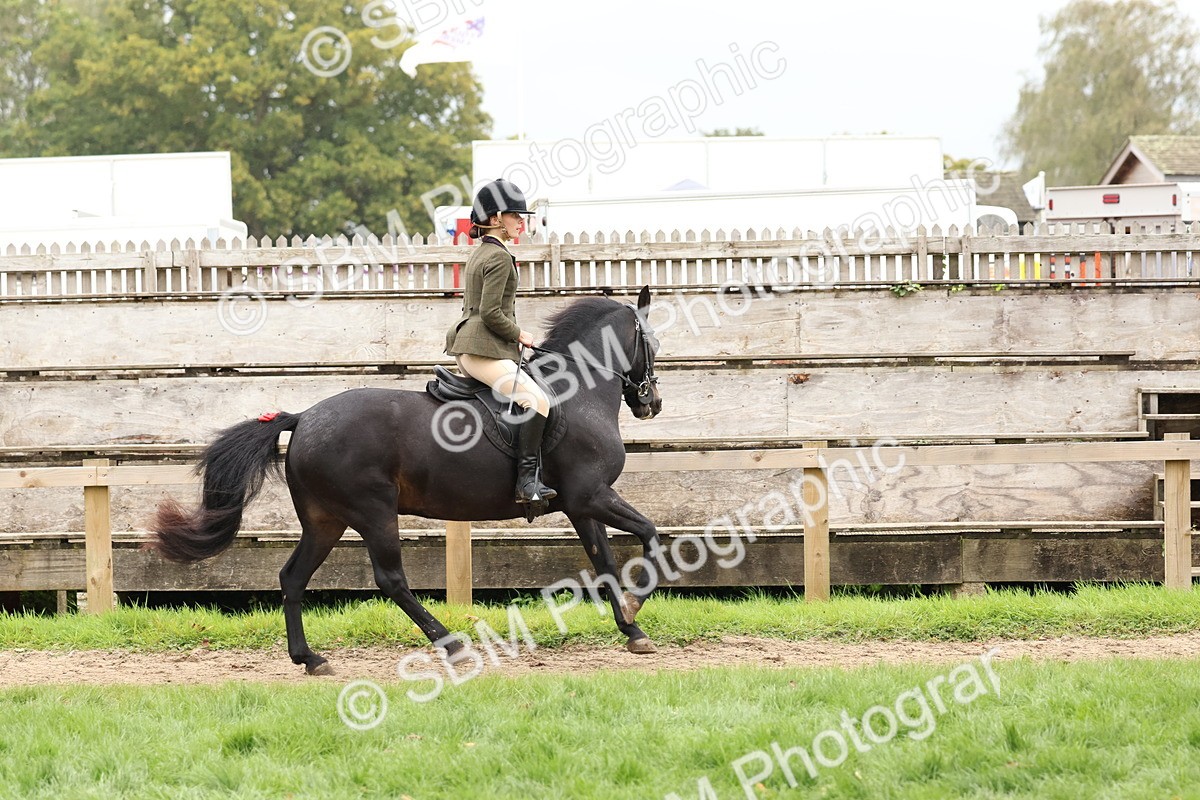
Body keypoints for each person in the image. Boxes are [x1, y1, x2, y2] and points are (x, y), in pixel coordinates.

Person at [445, 179, 556, 507]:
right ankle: (527, 482)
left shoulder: (484, 252)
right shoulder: (499, 258)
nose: (522, 221)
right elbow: (492, 313)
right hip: (482, 350)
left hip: (473, 347)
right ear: (495, 219)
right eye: (515, 215)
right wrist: (520, 334)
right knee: (538, 402)